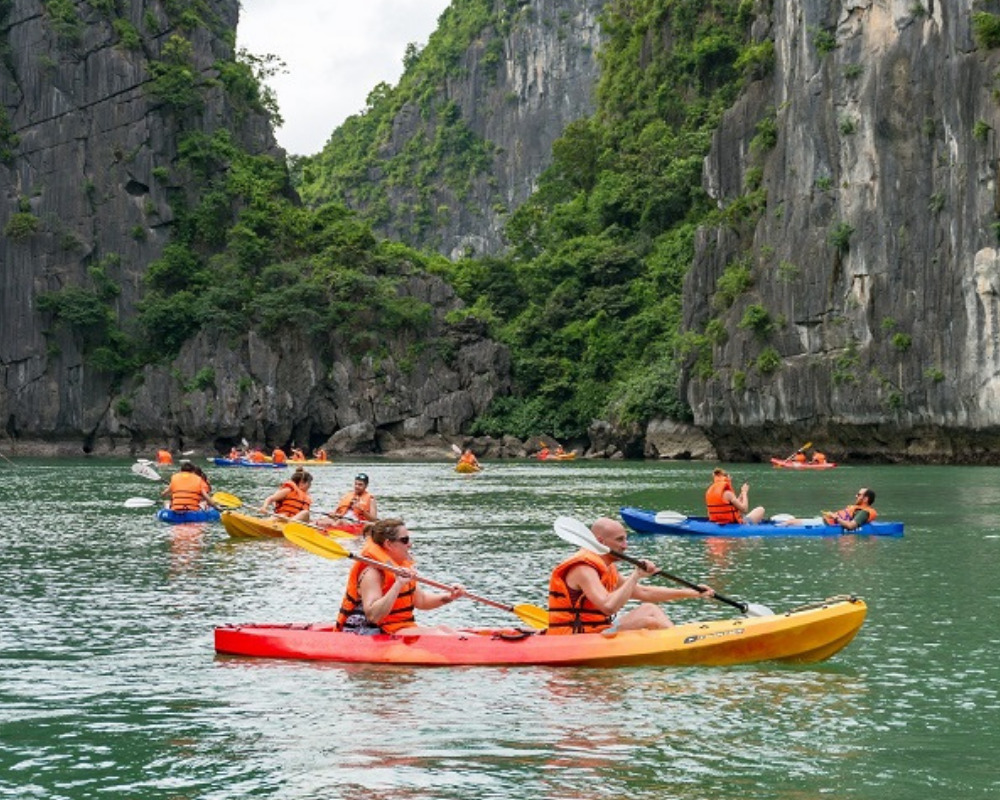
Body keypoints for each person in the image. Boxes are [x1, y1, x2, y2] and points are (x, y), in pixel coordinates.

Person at [547, 517, 714, 634]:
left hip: (598, 629)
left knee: (649, 608)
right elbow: (608, 606)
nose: (625, 546)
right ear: (601, 542)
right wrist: (636, 575)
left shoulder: (607, 567)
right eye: (620, 540)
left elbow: (643, 593)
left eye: (626, 539)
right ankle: (678, 644)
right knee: (649, 622)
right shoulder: (583, 569)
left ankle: (676, 640)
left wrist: (693, 592)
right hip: (577, 636)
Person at [335, 518, 465, 635]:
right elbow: (373, 616)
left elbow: (422, 601)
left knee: (444, 629)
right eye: (405, 540)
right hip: (371, 630)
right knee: (438, 633)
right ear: (389, 544)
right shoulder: (372, 573)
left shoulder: (402, 567)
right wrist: (398, 584)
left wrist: (450, 596)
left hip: (398, 627)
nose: (410, 544)